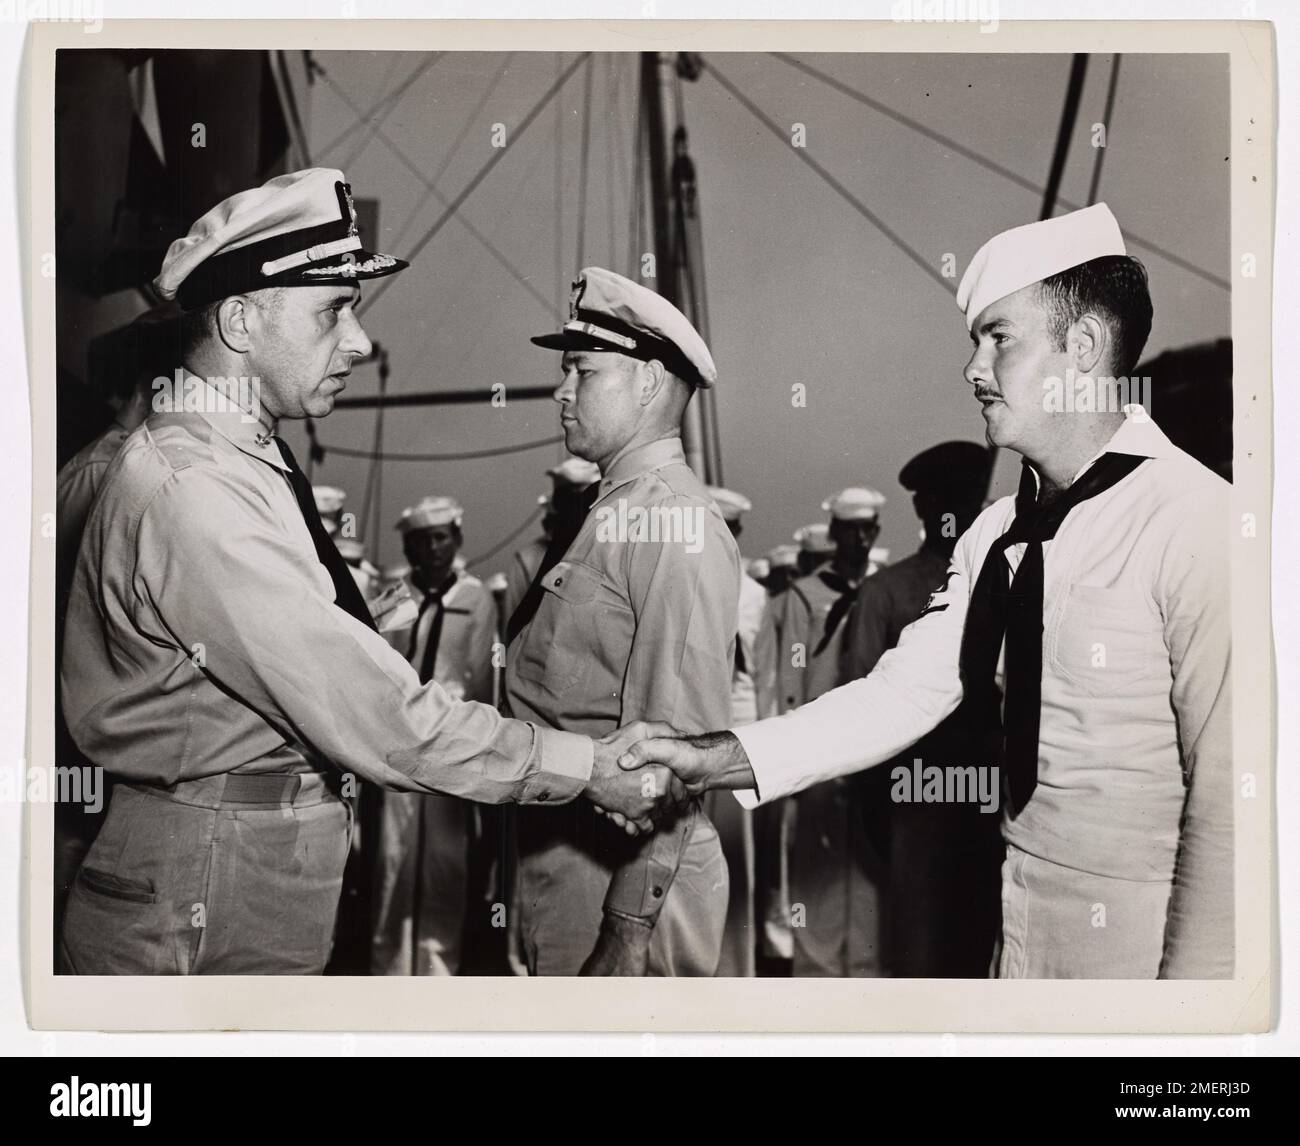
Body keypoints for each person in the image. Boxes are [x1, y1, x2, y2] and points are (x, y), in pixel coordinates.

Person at [58, 169, 673, 976]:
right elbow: (375, 711)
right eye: (332, 310)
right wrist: (586, 768)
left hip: (248, 863)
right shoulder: (195, 487)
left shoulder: (246, 459)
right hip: (201, 881)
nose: (357, 341)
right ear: (241, 320)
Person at [622, 203, 1233, 979]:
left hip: (1146, 942)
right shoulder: (996, 535)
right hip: (1014, 926)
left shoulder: (1197, 521)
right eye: (975, 342)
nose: (974, 369)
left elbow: (1231, 803)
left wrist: (1194, 1018)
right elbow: (898, 697)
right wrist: (708, 758)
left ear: (1083, 347)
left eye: (999, 338)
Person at [504, 266, 739, 976]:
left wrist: (629, 927)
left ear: (647, 382)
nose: (561, 391)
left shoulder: (672, 521)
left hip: (626, 883)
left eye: (584, 371)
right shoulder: (611, 511)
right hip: (567, 860)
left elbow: (672, 751)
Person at [839, 441, 1003, 976]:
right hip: (918, 799)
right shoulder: (885, 593)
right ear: (922, 508)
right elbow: (860, 706)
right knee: (922, 959)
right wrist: (879, 810)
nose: (956, 513)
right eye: (943, 501)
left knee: (988, 958)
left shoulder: (1008, 582)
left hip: (993, 799)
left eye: (966, 500)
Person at [371, 496, 498, 975]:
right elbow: (378, 663)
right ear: (409, 548)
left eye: (441, 537)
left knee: (445, 862)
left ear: (457, 541)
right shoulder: (395, 596)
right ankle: (390, 969)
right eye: (422, 541)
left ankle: (438, 973)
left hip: (453, 739)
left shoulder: (475, 598)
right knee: (392, 860)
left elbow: (484, 676)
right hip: (401, 740)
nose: (433, 549)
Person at [783, 487, 888, 977]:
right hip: (818, 744)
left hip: (869, 742)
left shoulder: (884, 588)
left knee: (868, 866)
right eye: (850, 531)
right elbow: (788, 680)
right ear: (835, 534)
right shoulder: (806, 595)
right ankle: (815, 972)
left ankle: (865, 970)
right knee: (817, 866)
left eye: (868, 530)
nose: (860, 539)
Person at [704, 485, 770, 976]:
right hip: (688, 731)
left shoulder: (755, 595)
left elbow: (763, 676)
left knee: (735, 862)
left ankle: (737, 973)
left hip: (737, 737)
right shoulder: (683, 581)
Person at [501, 457, 600, 622]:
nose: (577, 510)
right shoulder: (528, 560)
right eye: (568, 500)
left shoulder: (610, 550)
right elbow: (513, 622)